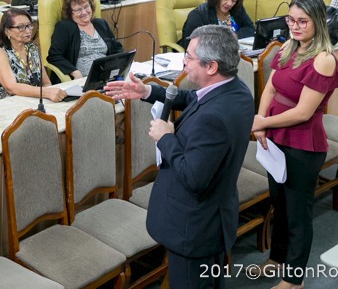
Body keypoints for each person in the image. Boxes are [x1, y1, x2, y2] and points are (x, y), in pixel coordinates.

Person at [104, 25, 253, 288]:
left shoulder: (213, 119)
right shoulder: (234, 90)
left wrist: (166, 138)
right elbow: (194, 98)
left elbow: (194, 177)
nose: (183, 62)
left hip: (194, 230)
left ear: (211, 67)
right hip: (213, 220)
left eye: (189, 57)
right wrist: (147, 92)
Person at [252, 0, 338, 289]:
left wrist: (263, 123)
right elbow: (269, 89)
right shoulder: (286, 48)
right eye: (290, 20)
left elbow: (304, 112)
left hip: (302, 145)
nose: (294, 26)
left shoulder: (324, 59)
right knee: (279, 205)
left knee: (297, 213)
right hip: (275, 138)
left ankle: (294, 279)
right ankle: (276, 260)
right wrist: (261, 122)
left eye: (302, 21)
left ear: (317, 23)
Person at [0, 8, 66, 103]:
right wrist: (46, 93)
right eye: (21, 27)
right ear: (7, 31)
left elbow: (46, 83)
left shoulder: (32, 48)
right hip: (5, 104)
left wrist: (48, 95)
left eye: (29, 25)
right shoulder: (0, 52)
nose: (28, 31)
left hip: (32, 100)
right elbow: (11, 87)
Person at [47, 0, 123, 79]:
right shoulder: (64, 27)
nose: (84, 12)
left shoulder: (101, 23)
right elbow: (54, 56)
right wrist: (74, 72)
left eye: (86, 6)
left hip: (107, 76)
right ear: (70, 13)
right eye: (78, 10)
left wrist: (119, 65)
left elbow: (117, 49)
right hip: (83, 80)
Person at [179, 0, 254, 49]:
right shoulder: (199, 14)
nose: (229, 4)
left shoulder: (237, 9)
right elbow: (191, 43)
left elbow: (250, 28)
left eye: (234, 1)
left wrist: (234, 36)